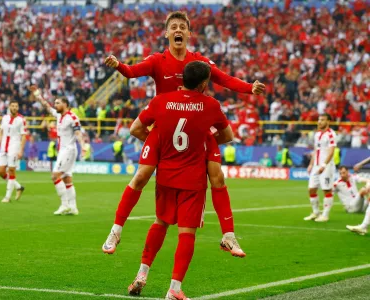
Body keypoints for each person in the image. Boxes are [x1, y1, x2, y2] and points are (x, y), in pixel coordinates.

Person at [102, 11, 265, 254]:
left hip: (195, 132)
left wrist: (249, 88)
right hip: (164, 131)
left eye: (182, 27)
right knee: (141, 176)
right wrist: (119, 66)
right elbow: (133, 71)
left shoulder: (199, 62)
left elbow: (224, 79)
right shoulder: (158, 60)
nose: (178, 30)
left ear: (189, 33)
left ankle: (229, 235)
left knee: (217, 176)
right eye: (173, 27)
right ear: (166, 33)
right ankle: (116, 231)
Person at [126, 61, 234, 299]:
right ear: (204, 83)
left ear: (181, 79)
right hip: (192, 179)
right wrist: (204, 138)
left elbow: (135, 128)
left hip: (166, 174)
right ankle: (174, 289)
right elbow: (228, 135)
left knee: (160, 222)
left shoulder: (161, 101)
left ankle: (141, 275)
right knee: (187, 233)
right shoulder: (211, 105)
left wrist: (159, 148)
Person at [31, 86, 85, 215]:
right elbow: (46, 106)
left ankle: (64, 204)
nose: (55, 105)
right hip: (63, 150)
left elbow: (78, 133)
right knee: (67, 179)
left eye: (58, 103)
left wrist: (83, 146)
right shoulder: (58, 115)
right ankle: (73, 207)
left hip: (69, 150)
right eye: (55, 103)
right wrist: (38, 95)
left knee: (55, 175)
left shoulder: (72, 117)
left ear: (65, 104)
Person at [304, 114, 336, 222]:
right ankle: (316, 212)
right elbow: (316, 150)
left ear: (328, 122)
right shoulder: (317, 134)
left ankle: (325, 215)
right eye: (319, 120)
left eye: (322, 120)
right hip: (316, 166)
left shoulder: (331, 134)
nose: (319, 122)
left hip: (326, 166)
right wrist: (311, 164)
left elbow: (332, 151)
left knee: (326, 190)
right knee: (311, 189)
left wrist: (324, 165)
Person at [0, 100, 26, 203]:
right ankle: (19, 187)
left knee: (11, 170)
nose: (14, 108)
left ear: (18, 107)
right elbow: (1, 132)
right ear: (9, 107)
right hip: (3, 147)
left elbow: (24, 136)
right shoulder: (5, 118)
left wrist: (21, 150)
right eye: (13, 106)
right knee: (1, 172)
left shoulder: (21, 120)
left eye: (16, 106)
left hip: (14, 147)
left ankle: (7, 197)